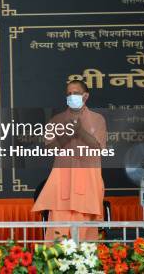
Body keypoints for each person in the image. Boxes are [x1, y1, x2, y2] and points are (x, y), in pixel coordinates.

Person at [32, 80, 107, 241]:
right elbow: (51, 148)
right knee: (58, 236)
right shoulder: (57, 119)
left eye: (75, 93)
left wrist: (81, 131)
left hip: (87, 185)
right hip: (62, 186)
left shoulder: (97, 119)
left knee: (86, 240)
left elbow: (98, 147)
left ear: (85, 96)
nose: (71, 96)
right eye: (69, 94)